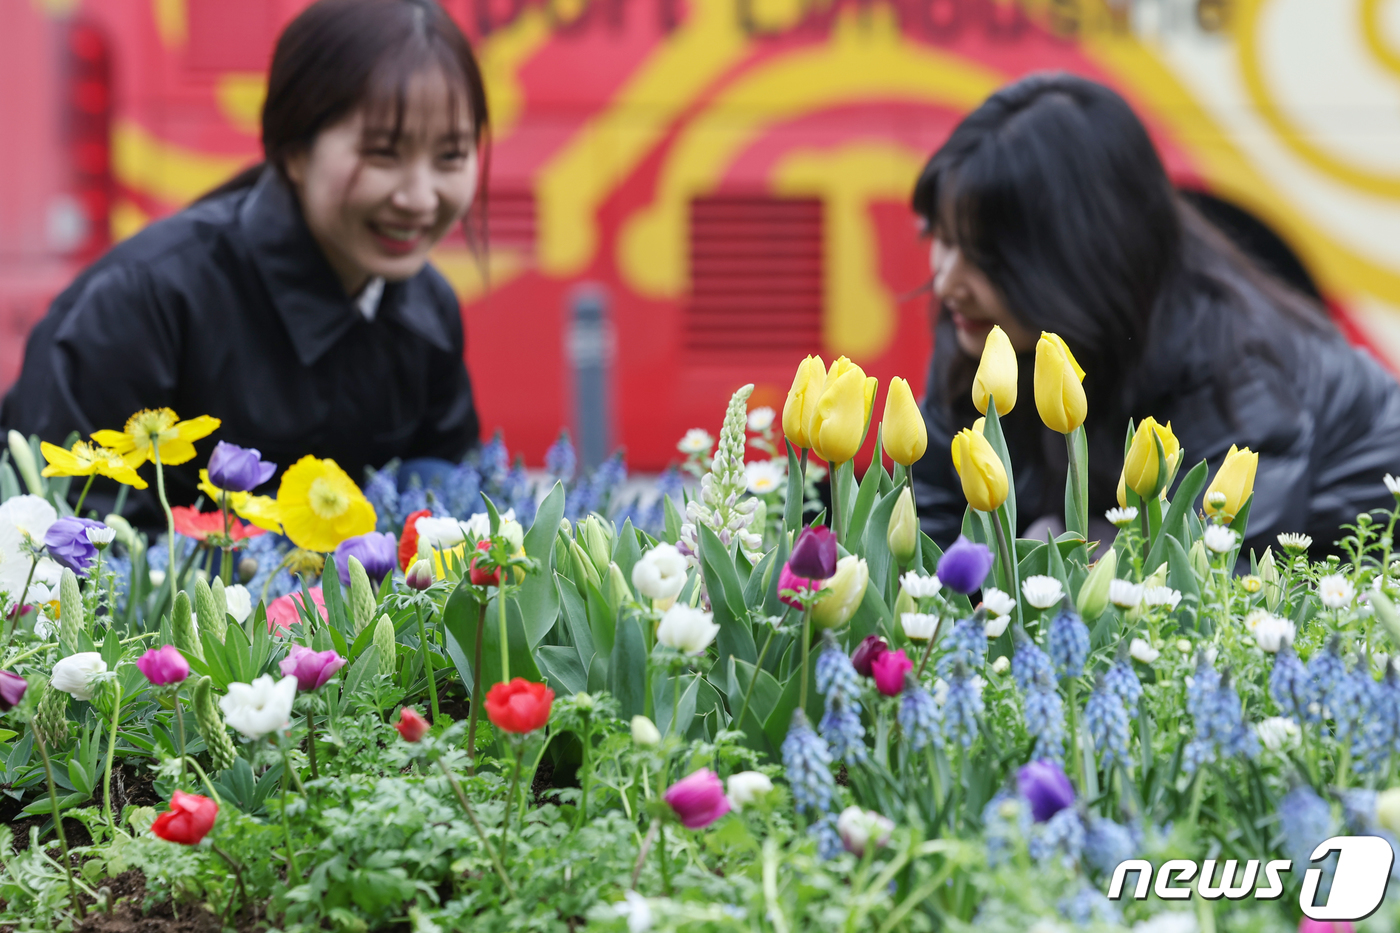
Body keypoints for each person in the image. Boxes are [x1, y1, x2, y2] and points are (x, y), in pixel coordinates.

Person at [1, 0, 487, 527]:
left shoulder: (428, 310)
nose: (419, 198)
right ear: (294, 149)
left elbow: (453, 513)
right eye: (383, 154)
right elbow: (74, 554)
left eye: (451, 157)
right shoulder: (143, 302)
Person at [910, 72, 1400, 557]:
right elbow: (931, 532)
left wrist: (1053, 555)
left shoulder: (1235, 373)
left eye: (986, 257)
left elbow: (1209, 591)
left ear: (1081, 254)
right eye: (943, 238)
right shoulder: (988, 337)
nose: (948, 282)